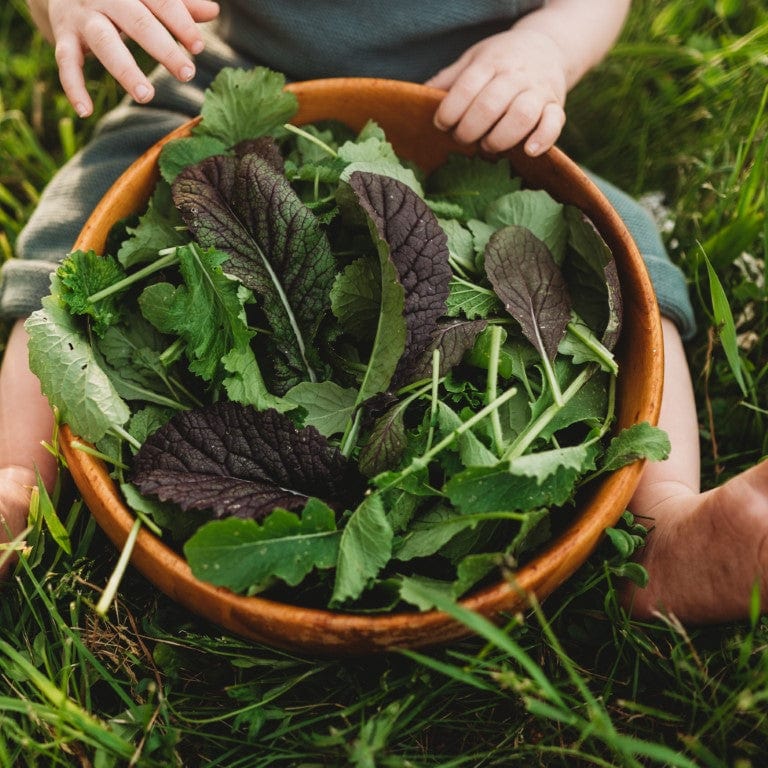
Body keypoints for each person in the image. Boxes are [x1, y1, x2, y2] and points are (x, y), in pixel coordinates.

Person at [1, 0, 765, 624]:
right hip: (224, 97)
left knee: (620, 253)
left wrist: (545, 50)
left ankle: (661, 531)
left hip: (465, 107)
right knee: (73, 253)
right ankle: (16, 482)